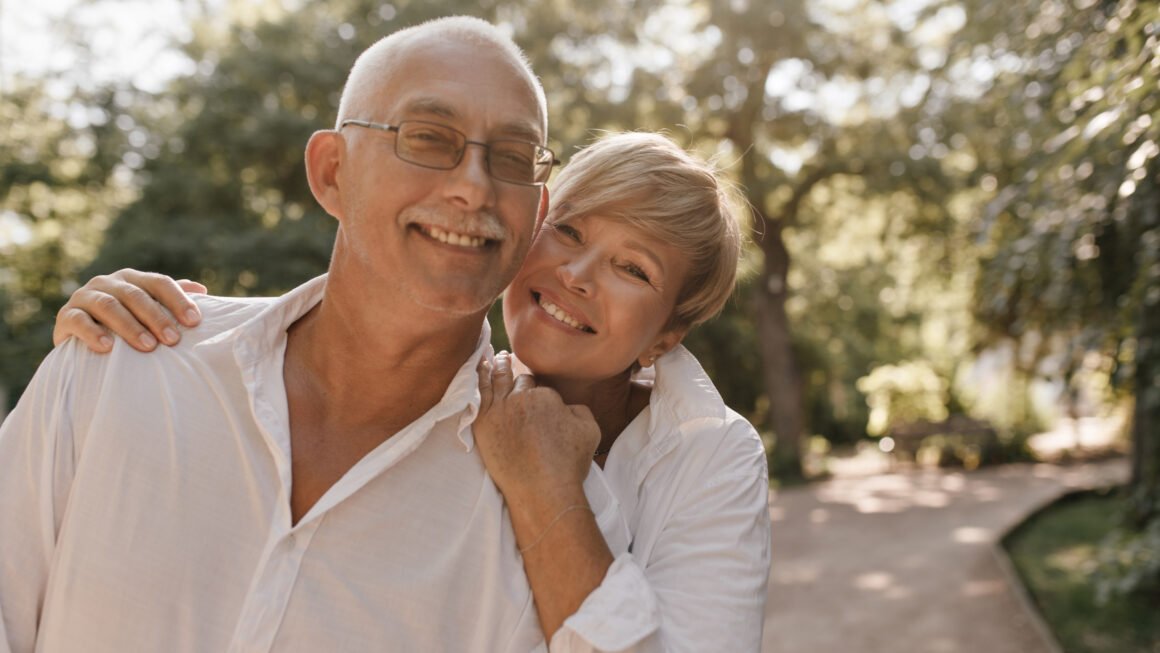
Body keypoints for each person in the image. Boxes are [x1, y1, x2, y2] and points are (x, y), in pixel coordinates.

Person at [52, 132, 773, 650]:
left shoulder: (710, 454)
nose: (577, 272)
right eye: (569, 230)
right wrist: (150, 326)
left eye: (634, 269)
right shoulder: (449, 385)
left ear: (665, 337)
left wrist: (546, 488)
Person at [1, 16, 564, 652]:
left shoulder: (546, 516)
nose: (474, 186)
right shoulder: (118, 364)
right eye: (429, 139)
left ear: (536, 213)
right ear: (332, 172)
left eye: (515, 158)